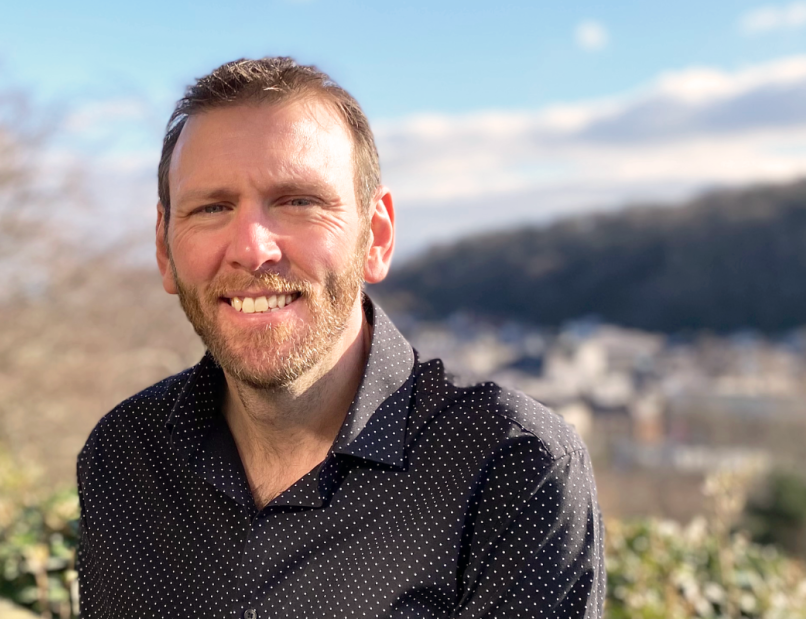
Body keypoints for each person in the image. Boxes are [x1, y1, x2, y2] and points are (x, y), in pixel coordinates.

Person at [76, 57, 605, 618]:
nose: (253, 248)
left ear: (375, 236)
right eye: (212, 207)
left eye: (299, 201)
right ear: (164, 250)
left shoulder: (509, 465)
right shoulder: (124, 457)